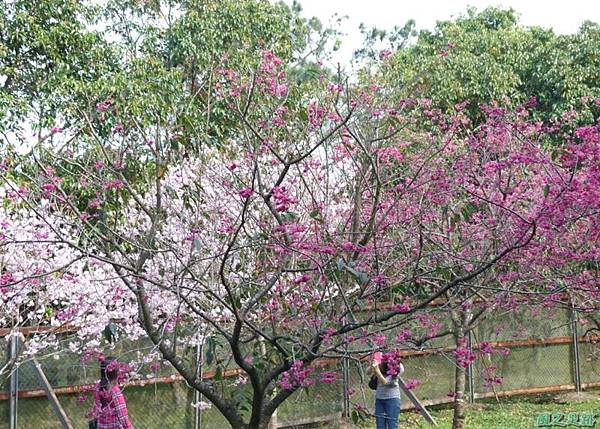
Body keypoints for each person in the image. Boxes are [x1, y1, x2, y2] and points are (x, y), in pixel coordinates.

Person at [92, 357, 134, 429]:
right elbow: (123, 416)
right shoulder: (115, 391)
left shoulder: (97, 387)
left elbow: (98, 408)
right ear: (116, 372)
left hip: (101, 426)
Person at [371, 354, 404, 429]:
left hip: (392, 399)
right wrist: (372, 365)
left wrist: (377, 370)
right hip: (379, 399)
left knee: (392, 425)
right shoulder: (380, 359)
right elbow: (368, 372)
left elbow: (385, 382)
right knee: (380, 426)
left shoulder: (397, 367)